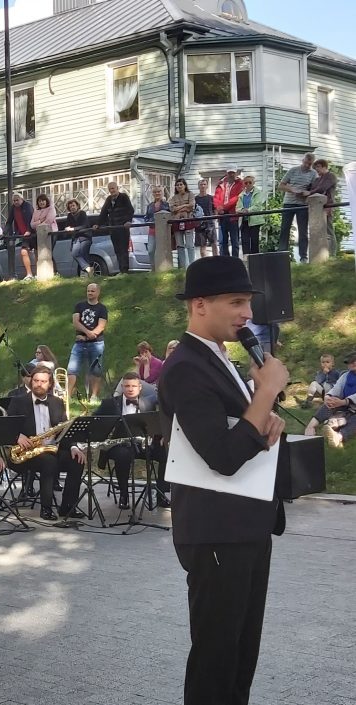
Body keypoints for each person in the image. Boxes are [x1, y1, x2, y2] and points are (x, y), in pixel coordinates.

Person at [158, 256, 289, 705]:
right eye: (236, 302)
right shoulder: (185, 367)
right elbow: (222, 455)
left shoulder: (220, 359)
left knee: (239, 659)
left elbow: (241, 433)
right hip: (216, 534)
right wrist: (267, 391)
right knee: (216, 663)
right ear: (199, 305)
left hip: (246, 526)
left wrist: (266, 419)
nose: (247, 314)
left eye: (248, 302)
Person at [8, 366, 85, 520]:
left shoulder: (57, 402)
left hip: (52, 448)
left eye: (43, 381)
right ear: (31, 381)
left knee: (77, 461)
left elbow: (65, 429)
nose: (39, 384)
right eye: (36, 380)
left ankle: (68, 507)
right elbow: (6, 427)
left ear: (50, 384)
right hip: (28, 452)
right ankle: (46, 508)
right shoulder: (18, 402)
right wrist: (17, 436)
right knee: (49, 462)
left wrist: (74, 447)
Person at [94, 373, 164, 510]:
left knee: (165, 453)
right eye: (127, 386)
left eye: (133, 386)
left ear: (140, 387)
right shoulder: (110, 404)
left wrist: (163, 435)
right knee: (123, 456)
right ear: (122, 387)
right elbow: (94, 422)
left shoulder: (148, 403)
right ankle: (124, 495)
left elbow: (159, 420)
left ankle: (161, 494)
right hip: (119, 445)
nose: (130, 389)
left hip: (142, 444)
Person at [303, 352, 356, 448]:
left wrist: (344, 401)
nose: (353, 363)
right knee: (329, 404)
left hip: (351, 406)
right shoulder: (345, 376)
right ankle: (310, 426)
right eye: (350, 362)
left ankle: (339, 436)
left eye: (355, 361)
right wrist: (328, 397)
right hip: (345, 406)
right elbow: (337, 388)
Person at [66, 282, 108, 404]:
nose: (90, 293)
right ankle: (67, 396)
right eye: (88, 291)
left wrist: (89, 336)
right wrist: (87, 333)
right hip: (79, 343)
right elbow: (75, 322)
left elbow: (101, 326)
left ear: (98, 292)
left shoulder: (102, 308)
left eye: (92, 291)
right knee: (72, 369)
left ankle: (93, 396)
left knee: (96, 370)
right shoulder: (79, 306)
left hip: (97, 343)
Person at [278, 152, 316, 261]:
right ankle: (282, 254)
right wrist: (292, 189)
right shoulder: (293, 170)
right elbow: (281, 185)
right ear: (302, 161)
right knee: (285, 228)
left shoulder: (313, 174)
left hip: (303, 204)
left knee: (303, 230)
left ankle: (303, 257)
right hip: (289, 202)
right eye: (305, 163)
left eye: (309, 164)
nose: (307, 165)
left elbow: (315, 188)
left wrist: (307, 192)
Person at [95, 182, 134, 273]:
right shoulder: (109, 199)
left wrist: (128, 221)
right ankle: (121, 270)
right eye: (110, 189)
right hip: (113, 229)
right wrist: (98, 224)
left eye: (113, 188)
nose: (112, 191)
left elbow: (130, 210)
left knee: (123, 249)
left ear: (117, 188)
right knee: (117, 250)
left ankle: (125, 271)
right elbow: (103, 213)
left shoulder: (124, 197)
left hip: (122, 228)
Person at [310, 158, 339, 256]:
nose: (316, 170)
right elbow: (314, 188)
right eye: (315, 168)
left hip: (328, 206)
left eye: (318, 167)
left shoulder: (331, 176)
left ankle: (332, 254)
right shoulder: (318, 179)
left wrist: (310, 192)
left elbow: (322, 188)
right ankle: (321, 254)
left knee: (329, 231)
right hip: (318, 207)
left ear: (324, 166)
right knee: (319, 231)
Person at [26, 193, 58, 280]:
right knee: (42, 254)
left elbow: (49, 220)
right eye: (39, 201)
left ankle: (55, 272)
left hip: (50, 233)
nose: (41, 202)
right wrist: (40, 221)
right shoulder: (36, 211)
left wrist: (39, 224)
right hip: (39, 234)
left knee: (48, 253)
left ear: (46, 201)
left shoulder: (51, 208)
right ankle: (44, 273)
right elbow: (32, 224)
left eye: (43, 200)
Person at [214, 167, 243, 257]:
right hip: (222, 215)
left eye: (233, 173)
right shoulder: (221, 184)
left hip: (233, 214)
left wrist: (224, 207)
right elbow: (216, 197)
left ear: (236, 173)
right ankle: (225, 260)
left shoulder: (239, 184)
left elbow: (237, 198)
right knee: (223, 240)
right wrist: (218, 208)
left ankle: (235, 260)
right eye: (230, 173)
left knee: (235, 240)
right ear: (226, 173)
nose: (231, 174)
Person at [5, 193, 35, 280]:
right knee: (24, 252)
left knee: (38, 253)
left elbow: (31, 219)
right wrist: (4, 233)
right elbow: (9, 222)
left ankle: (43, 273)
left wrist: (29, 230)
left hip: (33, 233)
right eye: (14, 201)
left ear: (22, 199)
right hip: (23, 235)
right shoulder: (13, 208)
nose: (15, 202)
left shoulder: (27, 206)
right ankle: (29, 274)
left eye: (17, 200)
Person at [237, 174, 266, 256]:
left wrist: (247, 210)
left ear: (253, 183)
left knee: (254, 242)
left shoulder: (258, 193)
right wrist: (242, 210)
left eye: (250, 182)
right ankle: (246, 262)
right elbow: (238, 207)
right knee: (245, 242)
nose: (248, 184)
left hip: (255, 221)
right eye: (246, 183)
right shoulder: (241, 195)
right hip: (244, 221)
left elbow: (257, 205)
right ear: (244, 184)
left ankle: (256, 263)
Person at [170, 178, 196, 268]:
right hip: (177, 221)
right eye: (177, 185)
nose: (179, 186)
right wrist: (185, 207)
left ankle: (192, 265)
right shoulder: (173, 198)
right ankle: (182, 267)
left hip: (188, 220)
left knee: (189, 244)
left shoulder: (190, 194)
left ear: (185, 185)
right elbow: (172, 209)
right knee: (180, 245)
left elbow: (192, 206)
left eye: (181, 184)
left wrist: (180, 207)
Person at [144, 185, 170, 264]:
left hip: (163, 231)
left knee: (162, 251)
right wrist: (149, 221)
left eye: (159, 191)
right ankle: (153, 269)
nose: (157, 193)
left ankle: (162, 269)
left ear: (162, 192)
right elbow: (146, 217)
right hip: (152, 231)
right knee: (151, 250)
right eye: (155, 192)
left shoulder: (166, 204)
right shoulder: (150, 205)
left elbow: (169, 215)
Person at [64, 199, 91, 276]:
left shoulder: (82, 213)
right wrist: (67, 228)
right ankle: (88, 268)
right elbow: (67, 225)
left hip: (85, 236)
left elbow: (84, 225)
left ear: (77, 206)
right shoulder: (69, 215)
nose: (72, 207)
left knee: (84, 254)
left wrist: (73, 229)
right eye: (70, 206)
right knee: (74, 253)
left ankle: (86, 276)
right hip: (76, 238)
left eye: (73, 205)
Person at [194, 179, 218, 258]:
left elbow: (215, 209)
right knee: (202, 245)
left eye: (204, 184)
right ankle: (204, 262)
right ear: (198, 186)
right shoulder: (195, 199)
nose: (203, 186)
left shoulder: (211, 198)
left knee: (214, 243)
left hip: (210, 223)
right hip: (200, 224)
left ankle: (216, 260)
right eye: (201, 184)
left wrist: (215, 218)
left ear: (207, 186)